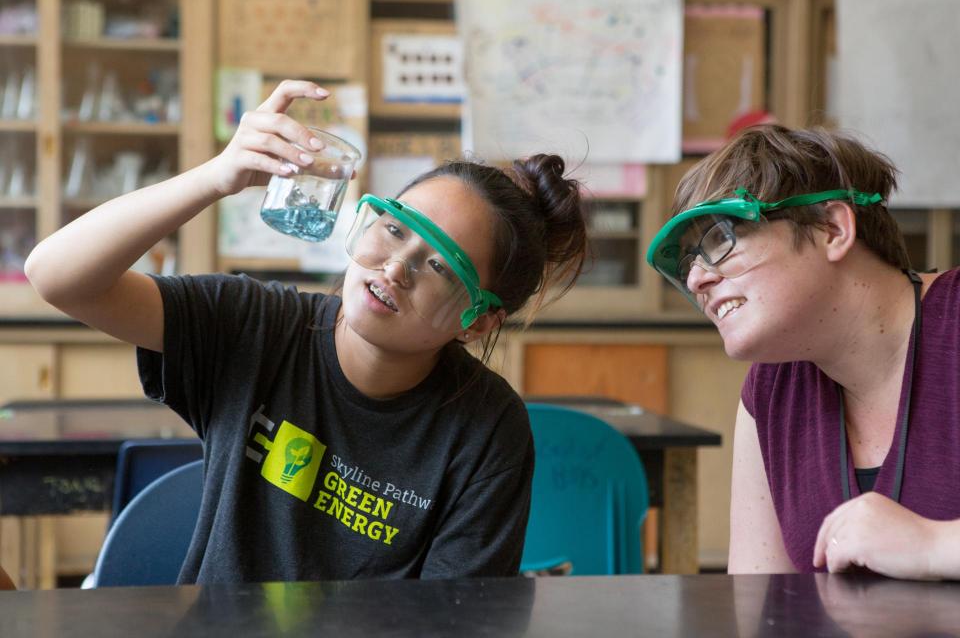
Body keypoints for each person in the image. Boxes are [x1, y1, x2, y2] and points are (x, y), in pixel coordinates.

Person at [24, 80, 588, 583]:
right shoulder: (257, 325)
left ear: (479, 322)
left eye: (441, 266)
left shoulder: (487, 428)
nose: (394, 268)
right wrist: (215, 178)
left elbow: (454, 621)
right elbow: (56, 276)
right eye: (393, 229)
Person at [646, 124, 960, 580]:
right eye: (690, 261)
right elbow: (757, 603)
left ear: (832, 228)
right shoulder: (771, 388)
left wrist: (934, 546)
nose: (697, 280)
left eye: (722, 239)